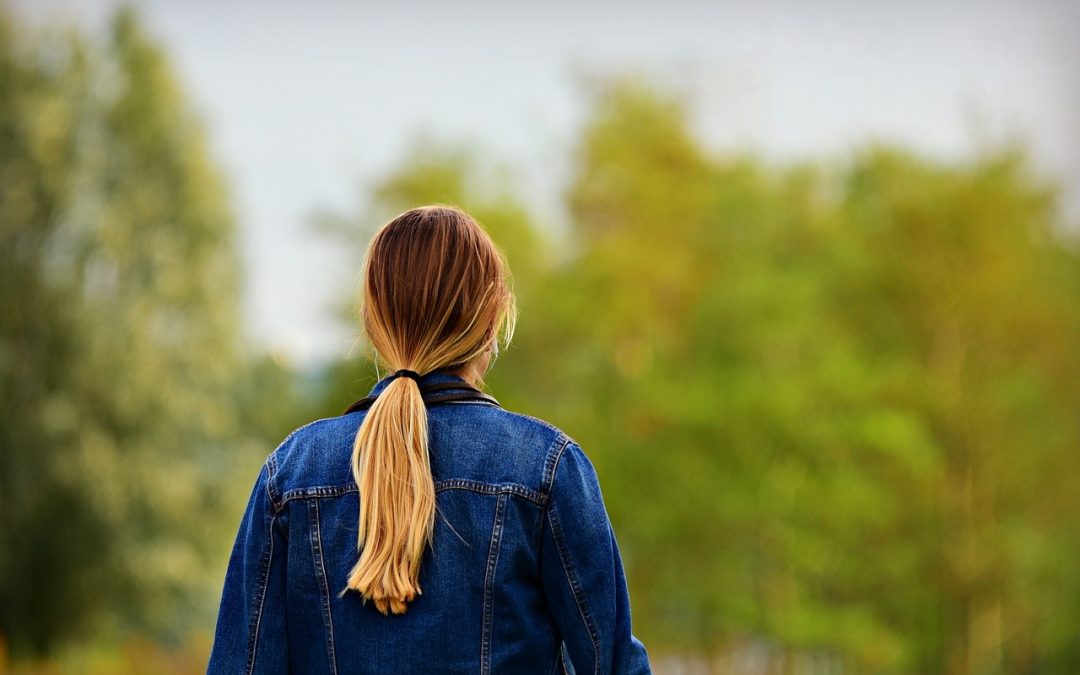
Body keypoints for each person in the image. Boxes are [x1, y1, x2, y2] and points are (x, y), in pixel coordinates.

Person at [207, 205, 651, 674]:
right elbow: (616, 665)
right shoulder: (547, 469)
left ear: (372, 322)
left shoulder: (291, 476)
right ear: (492, 321)